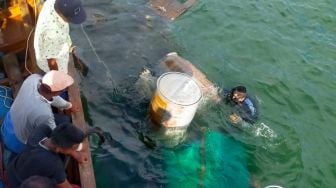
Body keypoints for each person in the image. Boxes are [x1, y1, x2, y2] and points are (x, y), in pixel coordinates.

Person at [1, 70, 75, 154]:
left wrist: (68, 106)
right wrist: (72, 150)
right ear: (56, 92)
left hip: (11, 119)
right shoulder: (44, 114)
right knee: (64, 123)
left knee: (65, 120)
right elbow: (55, 135)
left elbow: (51, 96)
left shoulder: (33, 78)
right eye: (64, 89)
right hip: (18, 140)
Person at [7, 123, 86, 188]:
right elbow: (66, 187)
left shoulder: (41, 130)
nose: (75, 149)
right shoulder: (54, 164)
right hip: (19, 185)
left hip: (13, 169)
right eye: (74, 147)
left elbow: (58, 147)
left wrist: (74, 153)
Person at [34, 0, 87, 73]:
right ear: (61, 14)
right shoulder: (54, 34)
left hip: (50, 43)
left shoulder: (52, 2)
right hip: (50, 58)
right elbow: (51, 61)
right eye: (70, 18)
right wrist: (57, 77)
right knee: (62, 73)